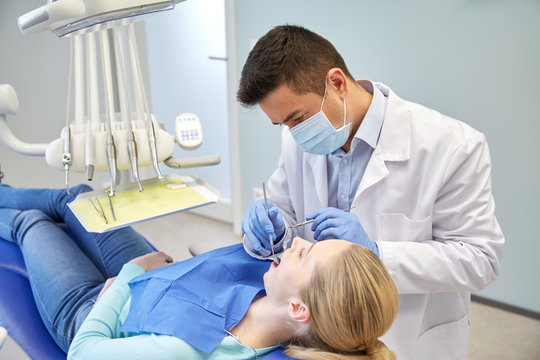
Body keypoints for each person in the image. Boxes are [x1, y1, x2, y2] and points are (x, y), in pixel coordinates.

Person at [238, 25, 505, 359]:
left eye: (297, 118)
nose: (293, 133)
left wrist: (378, 253)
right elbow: (284, 208)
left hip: (410, 334)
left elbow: (481, 260)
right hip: (321, 335)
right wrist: (268, 224)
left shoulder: (453, 146)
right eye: (283, 125)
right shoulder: (298, 138)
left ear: (336, 83)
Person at [0, 184, 399, 360]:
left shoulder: (187, 351)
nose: (296, 242)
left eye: (306, 254)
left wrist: (126, 277)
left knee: (31, 224)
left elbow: (83, 354)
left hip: (95, 310)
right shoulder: (275, 297)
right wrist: (255, 235)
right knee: (82, 200)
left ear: (299, 310)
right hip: (159, 279)